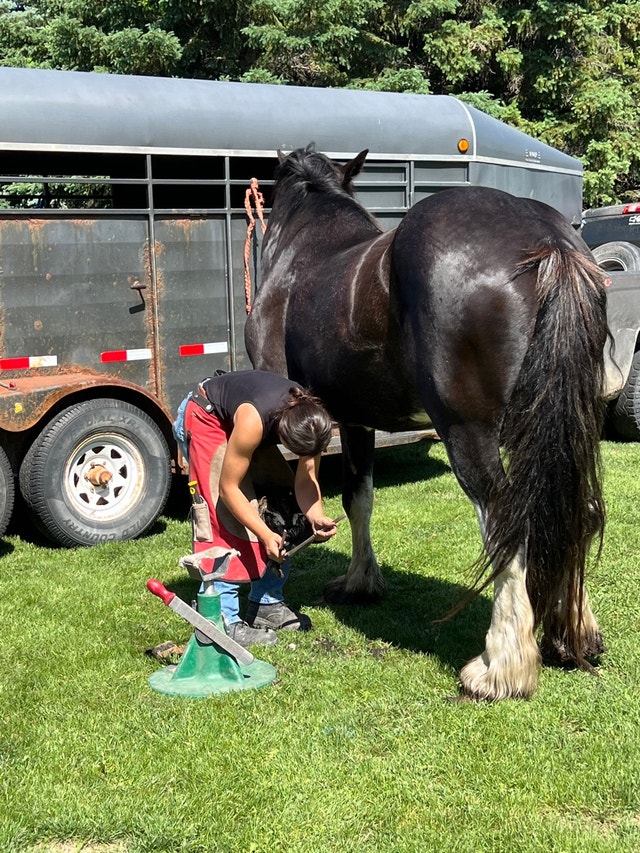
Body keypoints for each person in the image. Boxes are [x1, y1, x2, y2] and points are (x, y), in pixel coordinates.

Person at [174, 370, 338, 647]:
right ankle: (222, 619)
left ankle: (267, 605)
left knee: (283, 505)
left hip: (249, 424)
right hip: (207, 418)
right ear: (283, 434)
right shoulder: (253, 422)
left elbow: (306, 481)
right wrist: (264, 534)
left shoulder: (310, 420)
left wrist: (316, 516)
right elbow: (229, 489)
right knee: (223, 519)